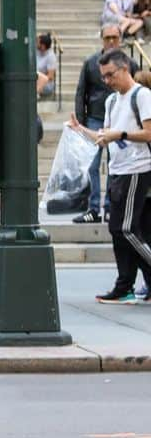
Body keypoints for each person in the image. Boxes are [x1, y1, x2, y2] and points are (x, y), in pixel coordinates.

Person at [69, 48, 151, 305]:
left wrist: (121, 135)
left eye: (110, 75)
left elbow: (148, 133)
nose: (106, 81)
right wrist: (80, 129)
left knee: (125, 228)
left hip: (138, 169)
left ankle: (128, 282)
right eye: (103, 76)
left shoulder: (142, 95)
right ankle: (124, 284)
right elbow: (103, 137)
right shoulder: (112, 101)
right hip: (117, 170)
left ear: (125, 69)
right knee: (118, 231)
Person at [74, 25, 120, 224]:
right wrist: (81, 122)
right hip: (95, 118)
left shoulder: (128, 64)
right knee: (92, 165)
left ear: (120, 39)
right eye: (107, 37)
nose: (111, 41)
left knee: (115, 165)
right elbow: (81, 91)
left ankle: (110, 206)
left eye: (114, 37)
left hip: (119, 121)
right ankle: (93, 208)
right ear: (102, 39)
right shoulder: (91, 62)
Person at [36, 32, 58, 98]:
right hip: (35, 79)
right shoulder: (37, 51)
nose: (36, 43)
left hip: (46, 84)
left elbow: (50, 77)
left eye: (38, 42)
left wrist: (38, 78)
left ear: (43, 46)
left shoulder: (51, 57)